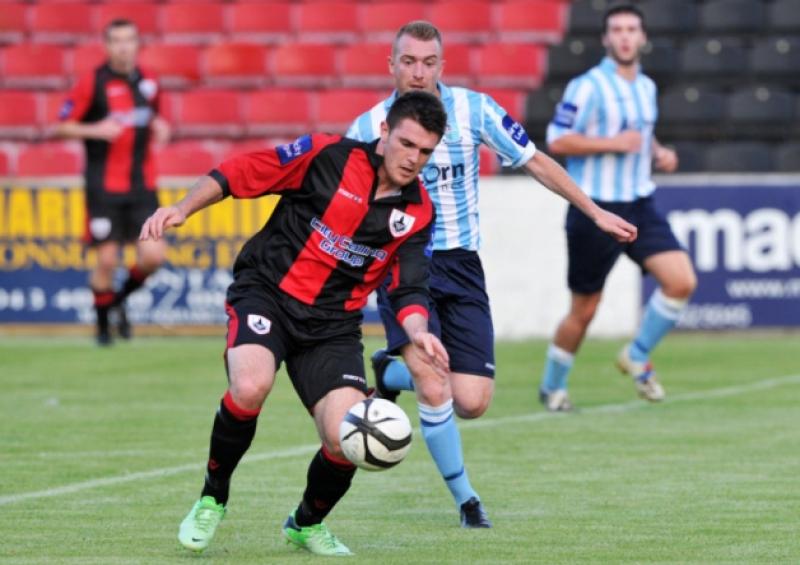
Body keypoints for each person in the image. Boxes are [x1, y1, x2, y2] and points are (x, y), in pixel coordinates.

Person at [347, 21, 637, 526]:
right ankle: (467, 501)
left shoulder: (474, 110)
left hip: (461, 266)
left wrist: (594, 211)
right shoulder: (367, 128)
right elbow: (344, 207)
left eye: (429, 62)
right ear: (390, 65)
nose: (419, 72)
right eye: (409, 62)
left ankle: (389, 371)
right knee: (436, 385)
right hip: (401, 267)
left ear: (442, 65)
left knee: (472, 402)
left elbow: (536, 161)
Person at [140, 91, 450, 557]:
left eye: (426, 152)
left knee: (347, 435)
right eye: (407, 144)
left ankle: (306, 523)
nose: (414, 159)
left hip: (332, 326)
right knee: (250, 386)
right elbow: (245, 171)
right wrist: (183, 207)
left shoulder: (418, 211)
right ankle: (212, 497)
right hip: (267, 293)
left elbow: (408, 287)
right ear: (384, 131)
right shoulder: (328, 155)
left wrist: (419, 330)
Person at [540, 3, 697, 411]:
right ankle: (552, 386)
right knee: (586, 308)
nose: (625, 36)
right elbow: (557, 140)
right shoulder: (587, 86)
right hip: (595, 207)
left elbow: (640, 135)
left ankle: (638, 354)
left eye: (632, 29)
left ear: (643, 38)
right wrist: (613, 143)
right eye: (617, 30)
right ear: (606, 39)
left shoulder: (645, 86)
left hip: (639, 202)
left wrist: (659, 152)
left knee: (681, 280)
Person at [54, 19, 169, 345]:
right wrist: (95, 129)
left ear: (137, 44)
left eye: (129, 39)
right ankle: (104, 330)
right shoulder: (93, 82)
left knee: (152, 257)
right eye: (116, 40)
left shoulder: (150, 81)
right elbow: (62, 125)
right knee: (106, 260)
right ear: (107, 46)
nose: (123, 46)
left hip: (142, 185)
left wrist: (160, 125)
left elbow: (153, 114)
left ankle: (116, 302)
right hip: (104, 187)